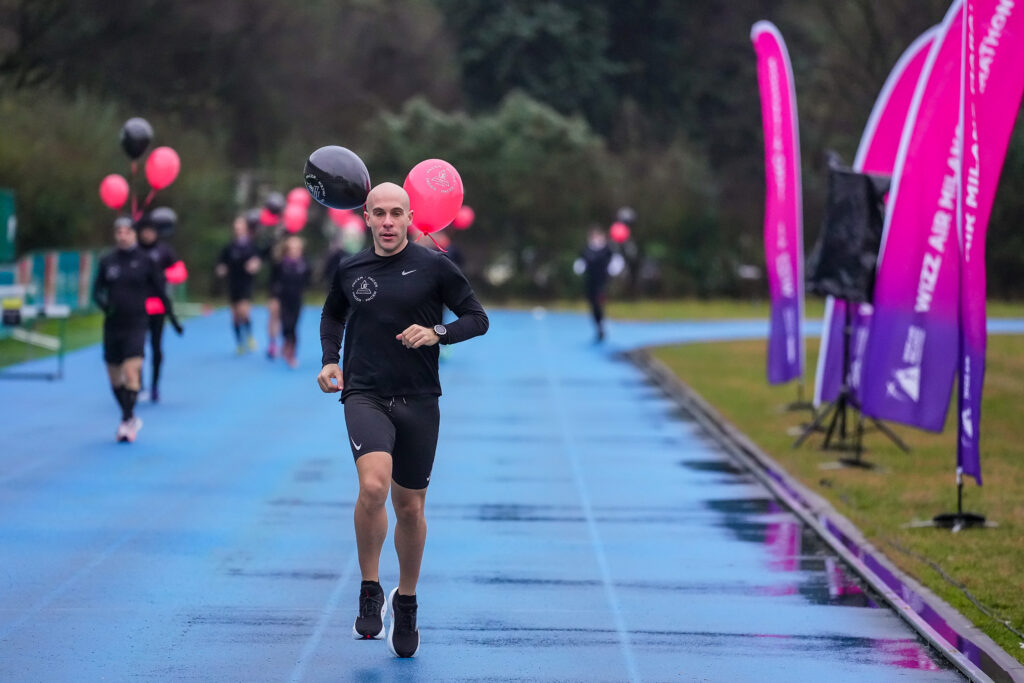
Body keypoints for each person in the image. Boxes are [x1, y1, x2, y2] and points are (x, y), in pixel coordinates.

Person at [317, 182, 489, 658]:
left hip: (419, 399)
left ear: (411, 217)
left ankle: (406, 599)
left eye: (397, 213)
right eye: (380, 214)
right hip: (365, 394)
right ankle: (371, 589)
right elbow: (332, 316)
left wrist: (437, 333)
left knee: (410, 508)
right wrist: (331, 360)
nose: (389, 222)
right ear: (366, 218)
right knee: (374, 486)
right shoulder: (351, 268)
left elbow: (477, 317)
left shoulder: (435, 265)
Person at [93, 217, 183, 442]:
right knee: (115, 378)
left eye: (127, 231)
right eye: (119, 232)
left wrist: (173, 319)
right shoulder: (107, 261)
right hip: (113, 325)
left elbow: (161, 291)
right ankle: (129, 416)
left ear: (134, 234)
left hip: (136, 323)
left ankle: (126, 419)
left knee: (131, 371)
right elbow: (96, 291)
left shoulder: (145, 261)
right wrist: (105, 306)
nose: (122, 235)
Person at [135, 214, 179, 402]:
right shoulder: (134, 252)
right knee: (137, 348)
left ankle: (154, 385)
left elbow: (179, 270)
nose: (148, 235)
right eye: (144, 231)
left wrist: (165, 276)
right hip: (137, 306)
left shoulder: (164, 250)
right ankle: (137, 384)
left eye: (151, 231)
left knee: (156, 347)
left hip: (158, 306)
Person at [216, 215, 261, 354]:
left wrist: (255, 264)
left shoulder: (252, 246)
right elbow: (221, 263)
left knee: (244, 311)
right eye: (236, 227)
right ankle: (239, 342)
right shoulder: (229, 247)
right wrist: (221, 269)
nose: (238, 230)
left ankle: (249, 336)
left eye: (241, 227)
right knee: (235, 316)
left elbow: (259, 259)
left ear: (246, 228)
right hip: (233, 282)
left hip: (245, 283)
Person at [574, 225, 621, 342]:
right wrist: (579, 267)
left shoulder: (608, 249)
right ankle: (599, 326)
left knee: (598, 300)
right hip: (590, 281)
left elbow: (617, 261)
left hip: (603, 280)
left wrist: (613, 269)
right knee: (592, 304)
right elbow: (581, 262)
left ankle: (602, 322)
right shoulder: (586, 250)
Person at [271, 234, 311, 368]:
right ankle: (286, 345)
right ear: (287, 249)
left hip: (297, 299)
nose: (295, 251)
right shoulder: (281, 264)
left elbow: (308, 280)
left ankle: (291, 353)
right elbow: (273, 282)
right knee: (285, 325)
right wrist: (274, 298)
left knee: (293, 326)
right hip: (283, 299)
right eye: (292, 248)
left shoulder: (304, 264)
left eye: (297, 248)